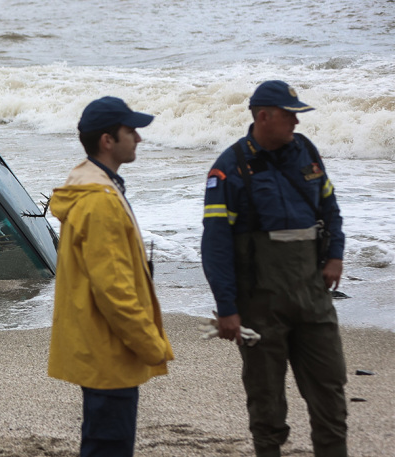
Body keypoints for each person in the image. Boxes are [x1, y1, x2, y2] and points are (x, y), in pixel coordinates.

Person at [201, 80, 347, 457]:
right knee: (266, 402)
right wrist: (227, 308)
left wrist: (335, 256)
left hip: (313, 297)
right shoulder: (229, 168)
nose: (296, 122)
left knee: (330, 395)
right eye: (289, 115)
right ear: (264, 117)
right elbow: (215, 245)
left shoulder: (306, 152)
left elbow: (330, 209)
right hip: (259, 305)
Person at [48, 96, 174, 457]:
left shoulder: (89, 183)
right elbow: (113, 289)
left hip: (96, 342)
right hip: (109, 349)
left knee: (102, 440)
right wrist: (151, 344)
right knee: (109, 445)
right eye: (131, 131)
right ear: (108, 140)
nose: (139, 138)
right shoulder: (100, 199)